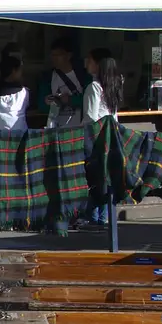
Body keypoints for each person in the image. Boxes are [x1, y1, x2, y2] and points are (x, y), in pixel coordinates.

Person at [81, 47, 125, 226]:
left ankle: (93, 218)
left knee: (94, 180)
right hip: (111, 137)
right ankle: (105, 219)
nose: (86, 63)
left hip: (96, 139)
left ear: (97, 64)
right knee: (106, 179)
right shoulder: (115, 84)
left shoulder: (94, 87)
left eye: (89, 60)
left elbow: (91, 117)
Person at [42, 37, 87, 128]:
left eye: (58, 55)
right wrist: (47, 102)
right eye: (52, 55)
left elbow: (89, 100)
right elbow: (41, 106)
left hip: (79, 127)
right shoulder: (47, 78)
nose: (54, 59)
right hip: (56, 128)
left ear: (68, 55)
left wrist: (71, 100)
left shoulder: (83, 76)